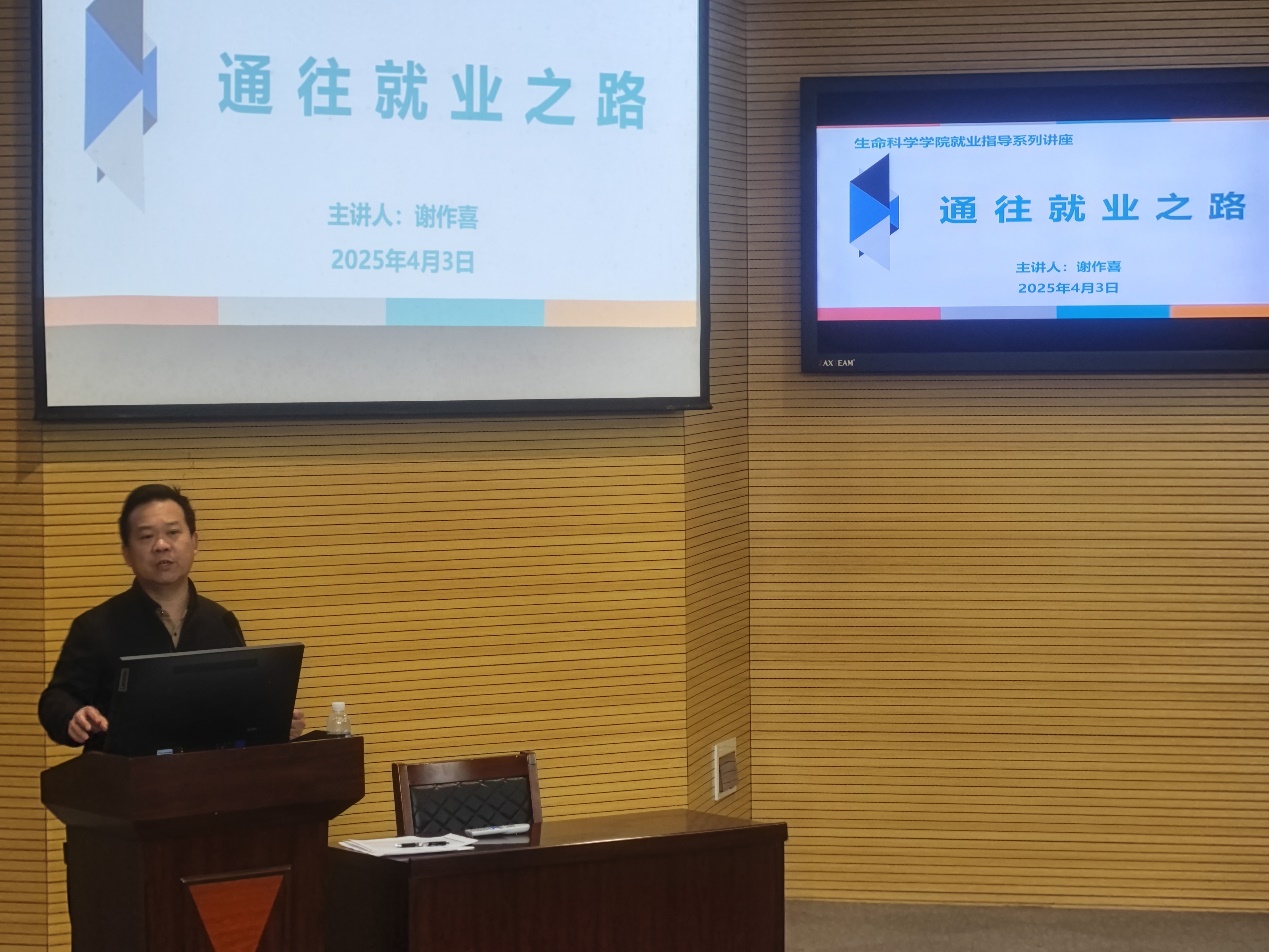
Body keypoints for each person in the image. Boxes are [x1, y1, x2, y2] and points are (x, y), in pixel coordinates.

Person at [38, 483, 305, 748]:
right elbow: (56, 698)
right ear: (126, 553)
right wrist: (71, 715)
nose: (161, 545)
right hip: (121, 771)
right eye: (146, 536)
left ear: (194, 542)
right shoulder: (95, 627)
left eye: (173, 532)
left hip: (207, 772)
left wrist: (274, 722)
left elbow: (240, 706)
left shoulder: (221, 623)